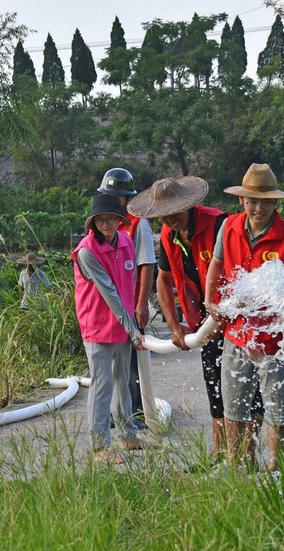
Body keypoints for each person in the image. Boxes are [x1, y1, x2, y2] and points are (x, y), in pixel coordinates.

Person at [128, 176, 264, 461]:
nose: (171, 219)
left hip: (236, 314)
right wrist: (175, 326)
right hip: (205, 320)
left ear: (190, 205)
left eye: (175, 212)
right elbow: (162, 281)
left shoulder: (219, 226)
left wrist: (222, 316)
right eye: (164, 215)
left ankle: (246, 455)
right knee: (214, 382)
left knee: (244, 386)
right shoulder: (168, 235)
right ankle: (220, 453)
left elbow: (242, 270)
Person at [204, 163, 284, 472]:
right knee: (233, 405)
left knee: (277, 409)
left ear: (275, 203)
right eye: (252, 201)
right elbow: (217, 265)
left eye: (265, 202)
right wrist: (211, 299)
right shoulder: (229, 227)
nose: (258, 208)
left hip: (274, 339)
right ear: (242, 201)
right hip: (237, 335)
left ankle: (275, 468)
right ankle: (238, 466)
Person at [72, 193, 147, 463]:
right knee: (102, 385)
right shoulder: (86, 252)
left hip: (124, 326)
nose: (106, 224)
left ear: (119, 220)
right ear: (93, 223)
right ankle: (99, 446)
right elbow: (110, 292)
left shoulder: (126, 241)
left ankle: (128, 434)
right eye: (101, 220)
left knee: (124, 382)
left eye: (111, 219)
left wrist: (135, 321)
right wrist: (132, 328)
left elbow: (132, 281)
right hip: (98, 326)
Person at [97, 168, 156, 428]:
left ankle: (136, 414)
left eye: (117, 196)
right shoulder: (102, 223)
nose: (113, 200)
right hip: (108, 307)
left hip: (130, 305)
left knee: (132, 362)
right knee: (110, 364)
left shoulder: (137, 223)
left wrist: (141, 304)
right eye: (109, 195)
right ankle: (115, 412)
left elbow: (146, 264)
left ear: (126, 198)